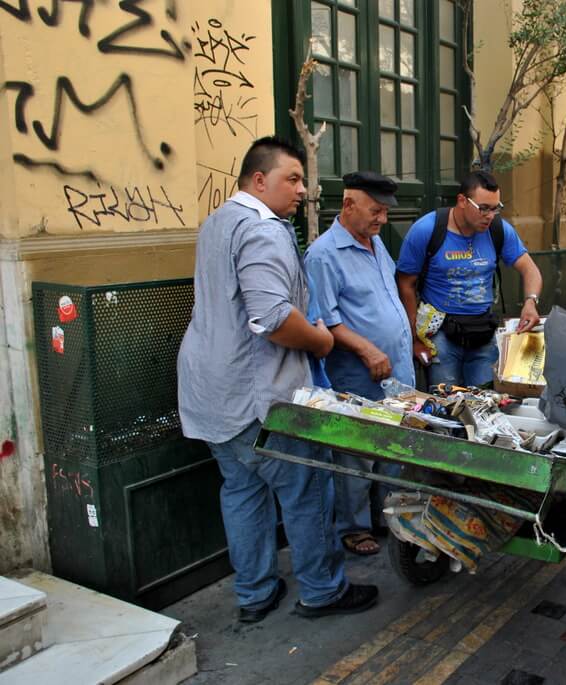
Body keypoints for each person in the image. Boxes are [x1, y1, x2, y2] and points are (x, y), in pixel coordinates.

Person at [177, 137, 378, 622]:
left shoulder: (216, 222)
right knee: (306, 489)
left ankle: (255, 593)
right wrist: (321, 341)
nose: (303, 189)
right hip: (256, 397)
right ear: (259, 180)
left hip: (210, 394)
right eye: (292, 178)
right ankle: (322, 591)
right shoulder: (262, 230)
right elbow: (272, 318)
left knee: (242, 490)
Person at [305, 171, 410, 557]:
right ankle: (352, 527)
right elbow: (326, 319)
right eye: (375, 210)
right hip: (358, 372)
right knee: (357, 452)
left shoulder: (375, 243)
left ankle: (389, 517)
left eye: (385, 212)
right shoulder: (323, 255)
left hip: (395, 371)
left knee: (393, 447)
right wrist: (367, 349)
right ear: (348, 205)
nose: (382, 219)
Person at [396, 171, 543, 387]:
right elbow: (405, 284)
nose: (490, 215)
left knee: (486, 402)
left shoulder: (498, 230)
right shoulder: (427, 229)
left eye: (495, 208)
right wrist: (414, 340)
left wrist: (531, 301)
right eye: (483, 208)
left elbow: (530, 270)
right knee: (447, 406)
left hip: (483, 333)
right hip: (440, 334)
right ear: (462, 201)